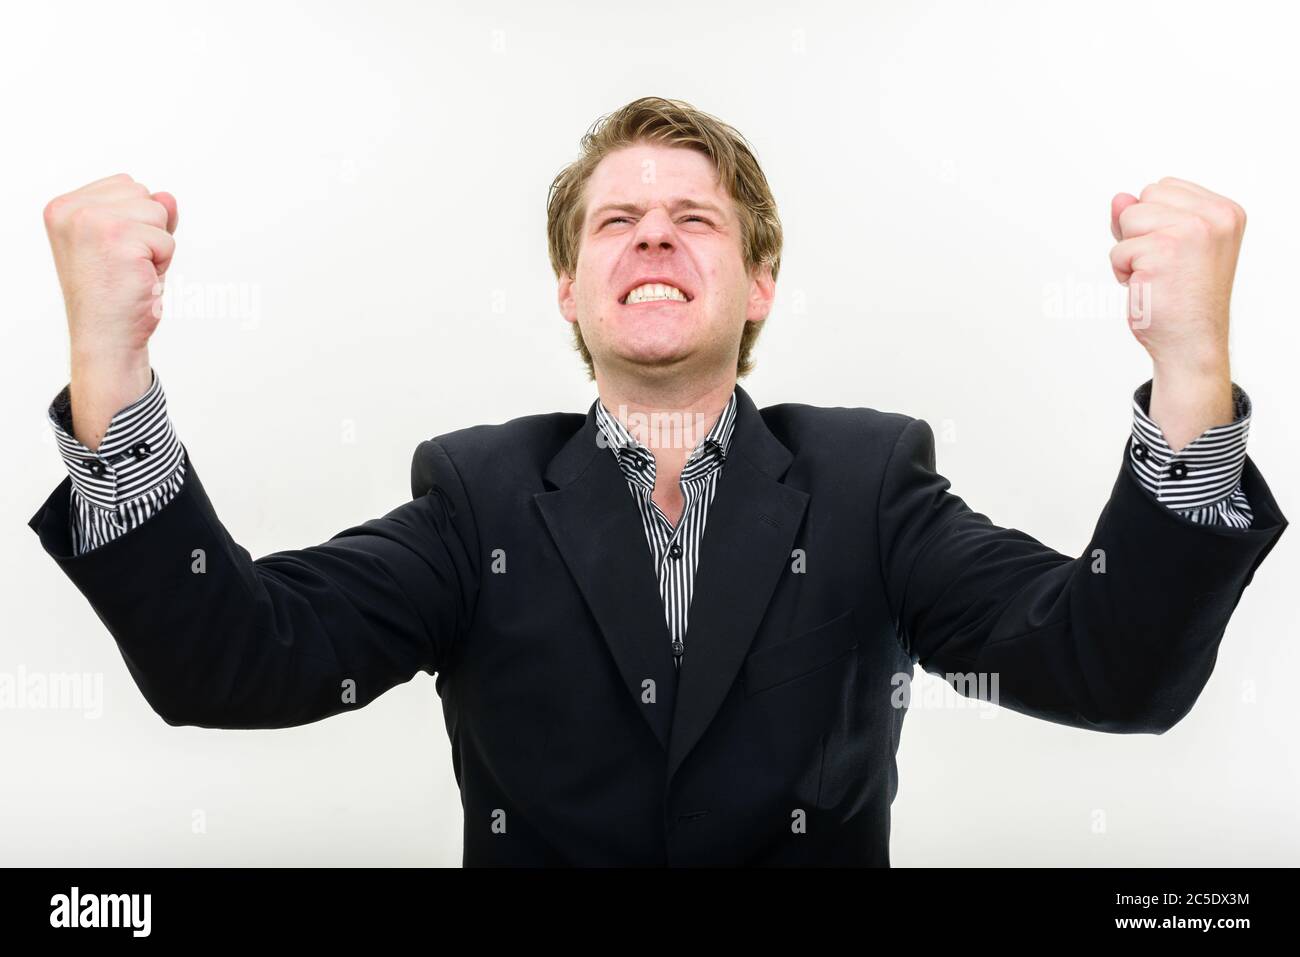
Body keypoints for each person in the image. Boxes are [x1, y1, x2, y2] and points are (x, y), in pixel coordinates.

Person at [29, 96, 1288, 866]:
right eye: (614, 222)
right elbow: (234, 664)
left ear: (759, 286)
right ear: (570, 292)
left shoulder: (867, 481)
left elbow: (1110, 672)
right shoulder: (477, 495)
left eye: (694, 218)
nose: (652, 235)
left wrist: (1189, 370)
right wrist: (110, 363)